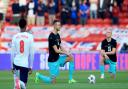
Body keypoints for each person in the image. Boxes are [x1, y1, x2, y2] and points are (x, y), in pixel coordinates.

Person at [35, 20, 77, 84]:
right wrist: (66, 53)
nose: (60, 26)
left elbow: (60, 46)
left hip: (58, 58)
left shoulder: (57, 35)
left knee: (71, 57)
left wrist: (67, 52)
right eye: (58, 25)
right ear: (54, 26)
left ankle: (70, 79)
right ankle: (38, 75)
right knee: (52, 82)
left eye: (60, 25)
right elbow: (56, 50)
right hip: (53, 61)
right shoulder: (52, 36)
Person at [11, 19, 34, 89]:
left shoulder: (15, 37)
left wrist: (12, 65)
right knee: (23, 86)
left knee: (17, 85)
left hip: (16, 63)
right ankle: (19, 83)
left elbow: (12, 53)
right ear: (26, 26)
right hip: (24, 64)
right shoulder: (30, 36)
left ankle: (17, 83)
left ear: (19, 26)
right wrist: (31, 66)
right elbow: (31, 53)